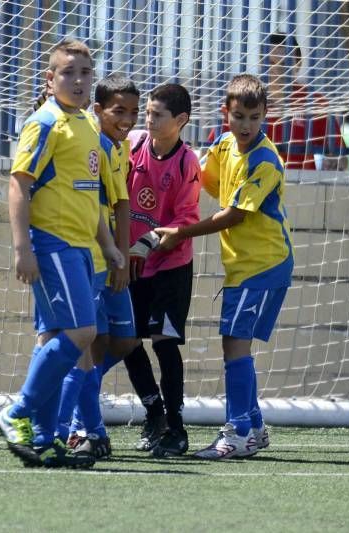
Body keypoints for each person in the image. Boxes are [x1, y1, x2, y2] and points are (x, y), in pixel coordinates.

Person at [0, 39, 123, 468]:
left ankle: (45, 437)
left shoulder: (87, 124)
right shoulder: (45, 121)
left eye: (85, 73)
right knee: (82, 333)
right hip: (54, 245)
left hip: (83, 249)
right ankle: (17, 413)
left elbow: (90, 193)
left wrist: (107, 244)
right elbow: (19, 184)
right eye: (68, 73)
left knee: (54, 337)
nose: (78, 80)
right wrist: (23, 248)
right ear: (50, 80)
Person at [155, 74, 293, 459]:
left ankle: (237, 433)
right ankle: (254, 427)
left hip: (264, 265)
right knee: (235, 345)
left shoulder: (265, 159)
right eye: (239, 116)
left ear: (266, 114)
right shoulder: (222, 144)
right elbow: (200, 179)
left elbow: (232, 215)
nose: (246, 125)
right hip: (243, 266)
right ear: (225, 114)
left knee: (234, 346)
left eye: (254, 117)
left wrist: (181, 233)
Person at [55, 73, 142, 459]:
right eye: (118, 111)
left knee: (121, 341)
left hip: (107, 257)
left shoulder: (118, 146)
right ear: (98, 110)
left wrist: (120, 256)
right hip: (87, 257)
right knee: (86, 343)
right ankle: (78, 428)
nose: (127, 119)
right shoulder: (91, 143)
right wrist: (115, 255)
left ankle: (77, 417)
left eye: (133, 112)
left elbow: (122, 203)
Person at [121, 83, 201, 458]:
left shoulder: (187, 162)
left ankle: (176, 427)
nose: (148, 119)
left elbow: (185, 221)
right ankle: (153, 413)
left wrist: (150, 239)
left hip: (170, 267)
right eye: (147, 112)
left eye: (157, 114)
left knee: (165, 342)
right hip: (134, 266)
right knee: (125, 339)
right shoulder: (134, 144)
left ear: (180, 121)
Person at [208, 32, 343, 170]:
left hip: (299, 186)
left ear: (298, 64)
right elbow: (210, 152)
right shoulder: (242, 99)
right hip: (249, 184)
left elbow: (339, 157)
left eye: (285, 63)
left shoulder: (315, 103)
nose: (277, 69)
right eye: (270, 62)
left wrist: (332, 160)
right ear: (261, 63)